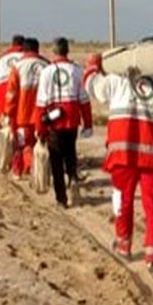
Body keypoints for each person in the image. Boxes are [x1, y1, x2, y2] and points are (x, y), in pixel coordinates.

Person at [84, 52, 153, 272]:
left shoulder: (117, 82)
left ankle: (124, 244)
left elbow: (93, 86)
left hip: (124, 154)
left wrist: (94, 66)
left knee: (122, 199)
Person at [35, 38, 93, 208]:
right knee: (70, 153)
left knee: (56, 160)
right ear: (67, 51)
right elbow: (84, 100)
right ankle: (73, 179)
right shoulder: (77, 70)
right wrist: (88, 123)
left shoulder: (46, 72)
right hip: (72, 121)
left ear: (54, 52)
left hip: (54, 124)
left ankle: (61, 199)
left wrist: (39, 128)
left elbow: (41, 104)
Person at [5, 37, 47, 178]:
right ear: (37, 49)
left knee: (20, 146)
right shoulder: (46, 65)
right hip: (43, 116)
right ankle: (38, 169)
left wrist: (9, 113)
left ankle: (20, 170)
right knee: (40, 144)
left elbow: (11, 93)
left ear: (24, 49)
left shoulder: (17, 67)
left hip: (22, 116)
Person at [0, 34, 25, 117]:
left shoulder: (2, 58)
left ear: (12, 44)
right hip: (24, 96)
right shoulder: (28, 57)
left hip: (4, 96)